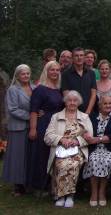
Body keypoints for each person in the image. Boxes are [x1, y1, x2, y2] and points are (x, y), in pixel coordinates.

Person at [44, 90, 93, 208]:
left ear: (78, 103)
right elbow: (47, 136)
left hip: (77, 150)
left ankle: (69, 196)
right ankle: (62, 197)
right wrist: (61, 139)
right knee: (61, 164)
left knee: (73, 164)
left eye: (75, 100)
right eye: (69, 100)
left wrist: (77, 141)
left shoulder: (84, 117)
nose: (72, 103)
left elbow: (90, 136)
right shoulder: (56, 117)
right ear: (65, 102)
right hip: (60, 150)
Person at [28, 61, 64, 194]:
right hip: (43, 124)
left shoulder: (58, 89)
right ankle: (38, 186)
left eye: (57, 70)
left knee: (52, 155)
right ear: (46, 71)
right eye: (52, 70)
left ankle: (50, 184)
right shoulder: (40, 89)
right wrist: (33, 128)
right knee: (41, 154)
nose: (55, 72)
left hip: (56, 125)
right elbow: (33, 110)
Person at [82, 95, 111, 207]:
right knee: (93, 159)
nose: (108, 106)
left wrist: (97, 139)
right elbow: (85, 129)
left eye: (110, 103)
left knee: (106, 161)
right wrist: (85, 134)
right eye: (105, 103)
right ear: (100, 105)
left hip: (109, 149)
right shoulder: (93, 117)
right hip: (94, 149)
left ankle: (102, 192)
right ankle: (94, 192)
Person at [2, 64, 33, 196]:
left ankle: (27, 182)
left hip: (31, 127)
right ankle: (17, 186)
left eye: (27, 73)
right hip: (18, 127)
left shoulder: (34, 87)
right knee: (17, 157)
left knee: (28, 156)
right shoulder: (13, 90)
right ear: (17, 75)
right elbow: (13, 109)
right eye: (23, 74)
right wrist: (31, 117)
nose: (26, 76)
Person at [61, 47, 97, 114]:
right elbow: (66, 96)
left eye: (81, 55)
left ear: (84, 58)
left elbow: (93, 94)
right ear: (72, 58)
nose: (79, 57)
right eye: (76, 55)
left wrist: (87, 112)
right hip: (72, 113)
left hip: (89, 113)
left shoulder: (91, 73)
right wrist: (76, 114)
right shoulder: (65, 74)